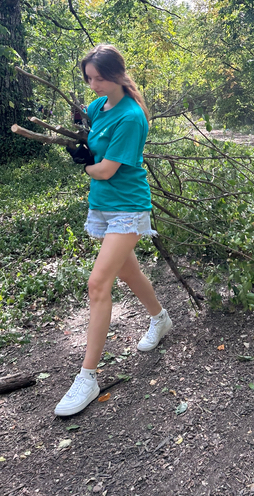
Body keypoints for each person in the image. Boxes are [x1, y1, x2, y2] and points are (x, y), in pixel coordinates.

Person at [54, 44, 172, 417]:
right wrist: (80, 145)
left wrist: (84, 164)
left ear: (117, 76)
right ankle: (160, 318)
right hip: (102, 206)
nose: (92, 85)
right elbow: (89, 142)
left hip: (128, 207)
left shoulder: (132, 117)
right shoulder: (96, 107)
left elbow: (105, 169)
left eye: (98, 78)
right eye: (88, 79)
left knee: (97, 284)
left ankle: (87, 378)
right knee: (127, 271)